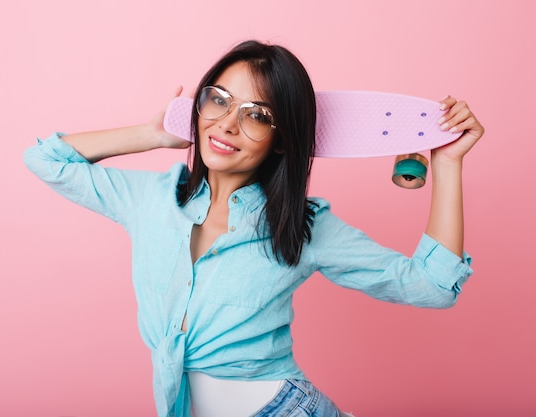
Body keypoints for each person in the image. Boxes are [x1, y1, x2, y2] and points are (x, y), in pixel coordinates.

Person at [24, 40, 484, 417]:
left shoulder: (302, 226)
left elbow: (431, 286)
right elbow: (45, 159)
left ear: (283, 138)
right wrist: (157, 133)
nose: (227, 123)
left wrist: (446, 166)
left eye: (257, 115)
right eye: (218, 100)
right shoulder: (150, 201)